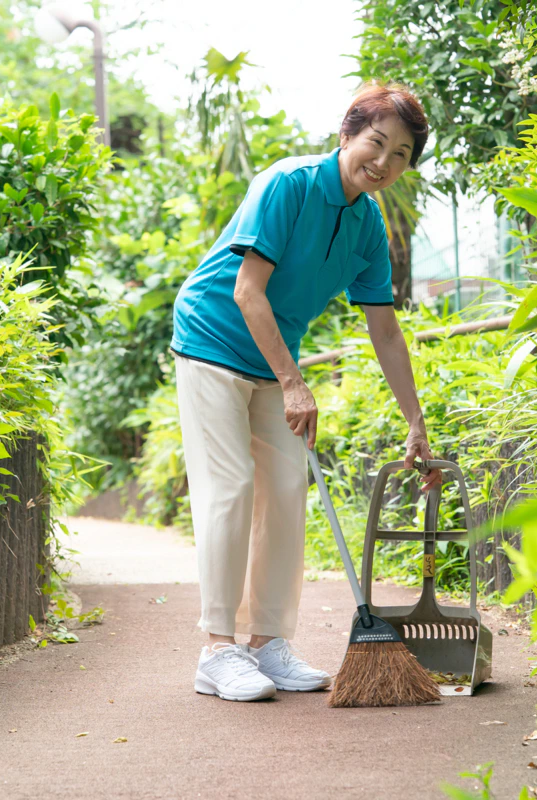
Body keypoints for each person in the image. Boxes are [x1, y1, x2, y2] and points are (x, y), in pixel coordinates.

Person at [169, 82, 444, 702]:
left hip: (273, 354)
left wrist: (416, 422)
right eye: (377, 142)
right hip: (212, 336)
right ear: (347, 135)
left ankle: (266, 643)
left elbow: (385, 332)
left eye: (401, 154)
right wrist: (294, 383)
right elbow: (246, 291)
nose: (384, 162)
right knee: (231, 487)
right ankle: (217, 650)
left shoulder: (370, 226)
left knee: (289, 488)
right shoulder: (287, 183)